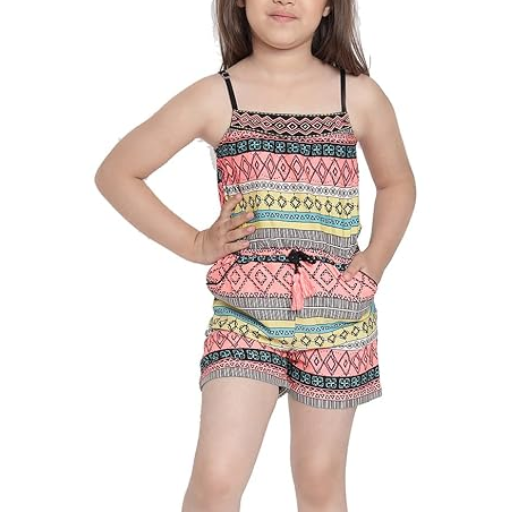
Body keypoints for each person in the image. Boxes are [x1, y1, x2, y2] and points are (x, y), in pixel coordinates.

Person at [95, 0, 416, 510]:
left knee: (319, 480)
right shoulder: (217, 95)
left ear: (329, 6)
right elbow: (117, 172)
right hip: (246, 317)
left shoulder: (357, 96)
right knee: (218, 477)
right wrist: (196, 243)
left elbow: (397, 183)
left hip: (338, 318)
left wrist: (375, 259)